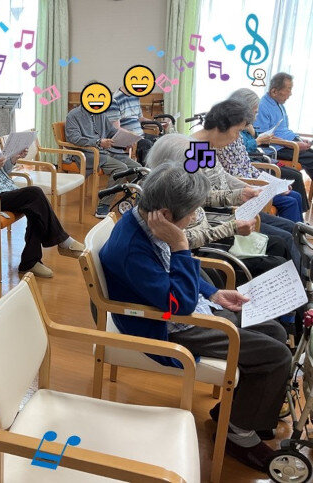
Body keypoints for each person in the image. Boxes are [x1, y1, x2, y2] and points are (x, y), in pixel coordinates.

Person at [99, 163, 291, 472]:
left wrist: (213, 293)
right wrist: (180, 245)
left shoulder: (146, 220)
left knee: (275, 332)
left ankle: (237, 413)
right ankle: (239, 435)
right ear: (166, 213)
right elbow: (180, 304)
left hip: (177, 310)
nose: (193, 218)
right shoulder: (134, 248)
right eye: (191, 213)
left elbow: (172, 274)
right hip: (164, 326)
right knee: (276, 355)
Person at [0, 93, 84, 279]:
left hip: (4, 190)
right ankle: (62, 241)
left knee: (35, 207)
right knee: (35, 195)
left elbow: (2, 169)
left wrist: (13, 158)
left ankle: (30, 262)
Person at [145, 133, 292, 279]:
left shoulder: (175, 185)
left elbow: (205, 197)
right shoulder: (159, 202)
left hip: (211, 236)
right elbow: (181, 240)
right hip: (203, 255)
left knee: (279, 244)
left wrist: (239, 194)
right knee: (276, 263)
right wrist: (230, 228)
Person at [187, 100, 301, 270]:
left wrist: (251, 189)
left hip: (230, 209)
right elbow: (196, 199)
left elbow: (222, 176)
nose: (237, 137)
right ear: (222, 126)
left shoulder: (204, 146)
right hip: (218, 219)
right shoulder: (192, 149)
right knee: (284, 238)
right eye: (237, 131)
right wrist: (240, 195)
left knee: (292, 228)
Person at [228, 87, 309, 212]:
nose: (256, 118)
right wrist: (271, 186)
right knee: (292, 193)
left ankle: (301, 221)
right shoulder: (231, 135)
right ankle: (299, 220)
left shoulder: (243, 129)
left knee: (295, 189)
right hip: (252, 175)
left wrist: (275, 184)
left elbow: (246, 166)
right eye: (255, 113)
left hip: (255, 169)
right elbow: (240, 168)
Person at [65, 94, 141, 218]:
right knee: (121, 168)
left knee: (139, 169)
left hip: (106, 151)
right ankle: (103, 205)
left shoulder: (100, 113)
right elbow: (74, 138)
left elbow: (112, 132)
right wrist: (98, 142)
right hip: (87, 154)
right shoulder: (73, 115)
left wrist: (125, 141)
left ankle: (140, 202)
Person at [255, 73, 313, 175]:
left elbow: (284, 131)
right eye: (288, 89)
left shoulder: (279, 104)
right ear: (274, 91)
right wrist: (293, 145)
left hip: (288, 144)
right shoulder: (262, 106)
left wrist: (299, 139)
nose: (290, 94)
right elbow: (262, 136)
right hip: (278, 148)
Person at [106, 83, 159, 164]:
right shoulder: (115, 100)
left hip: (140, 135)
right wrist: (134, 135)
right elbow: (115, 128)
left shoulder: (135, 97)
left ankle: (159, 170)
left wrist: (158, 124)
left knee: (161, 140)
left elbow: (141, 118)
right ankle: (144, 171)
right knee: (146, 144)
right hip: (128, 138)